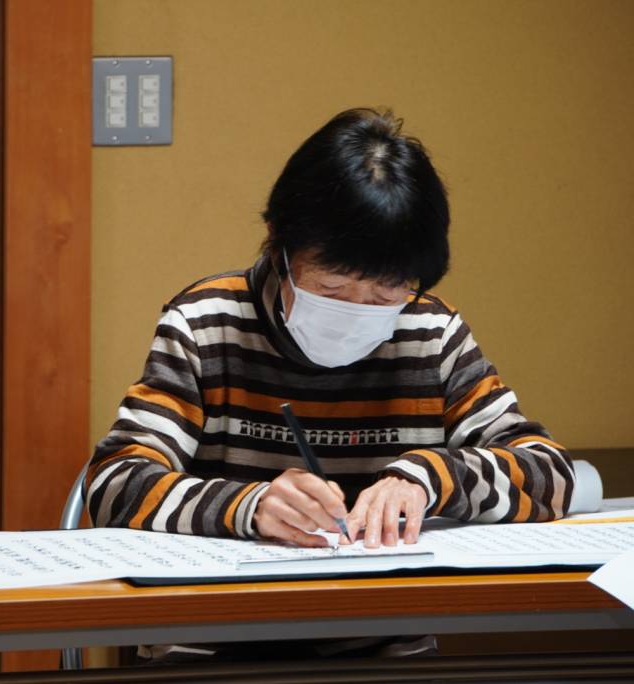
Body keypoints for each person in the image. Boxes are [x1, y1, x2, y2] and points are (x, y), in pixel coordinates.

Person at [88, 107, 572, 557]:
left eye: (385, 293)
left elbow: (549, 474)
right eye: (331, 287)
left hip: (388, 612)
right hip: (232, 613)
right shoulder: (205, 325)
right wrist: (249, 507)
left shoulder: (431, 333)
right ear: (279, 245)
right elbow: (115, 482)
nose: (356, 311)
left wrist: (428, 476)